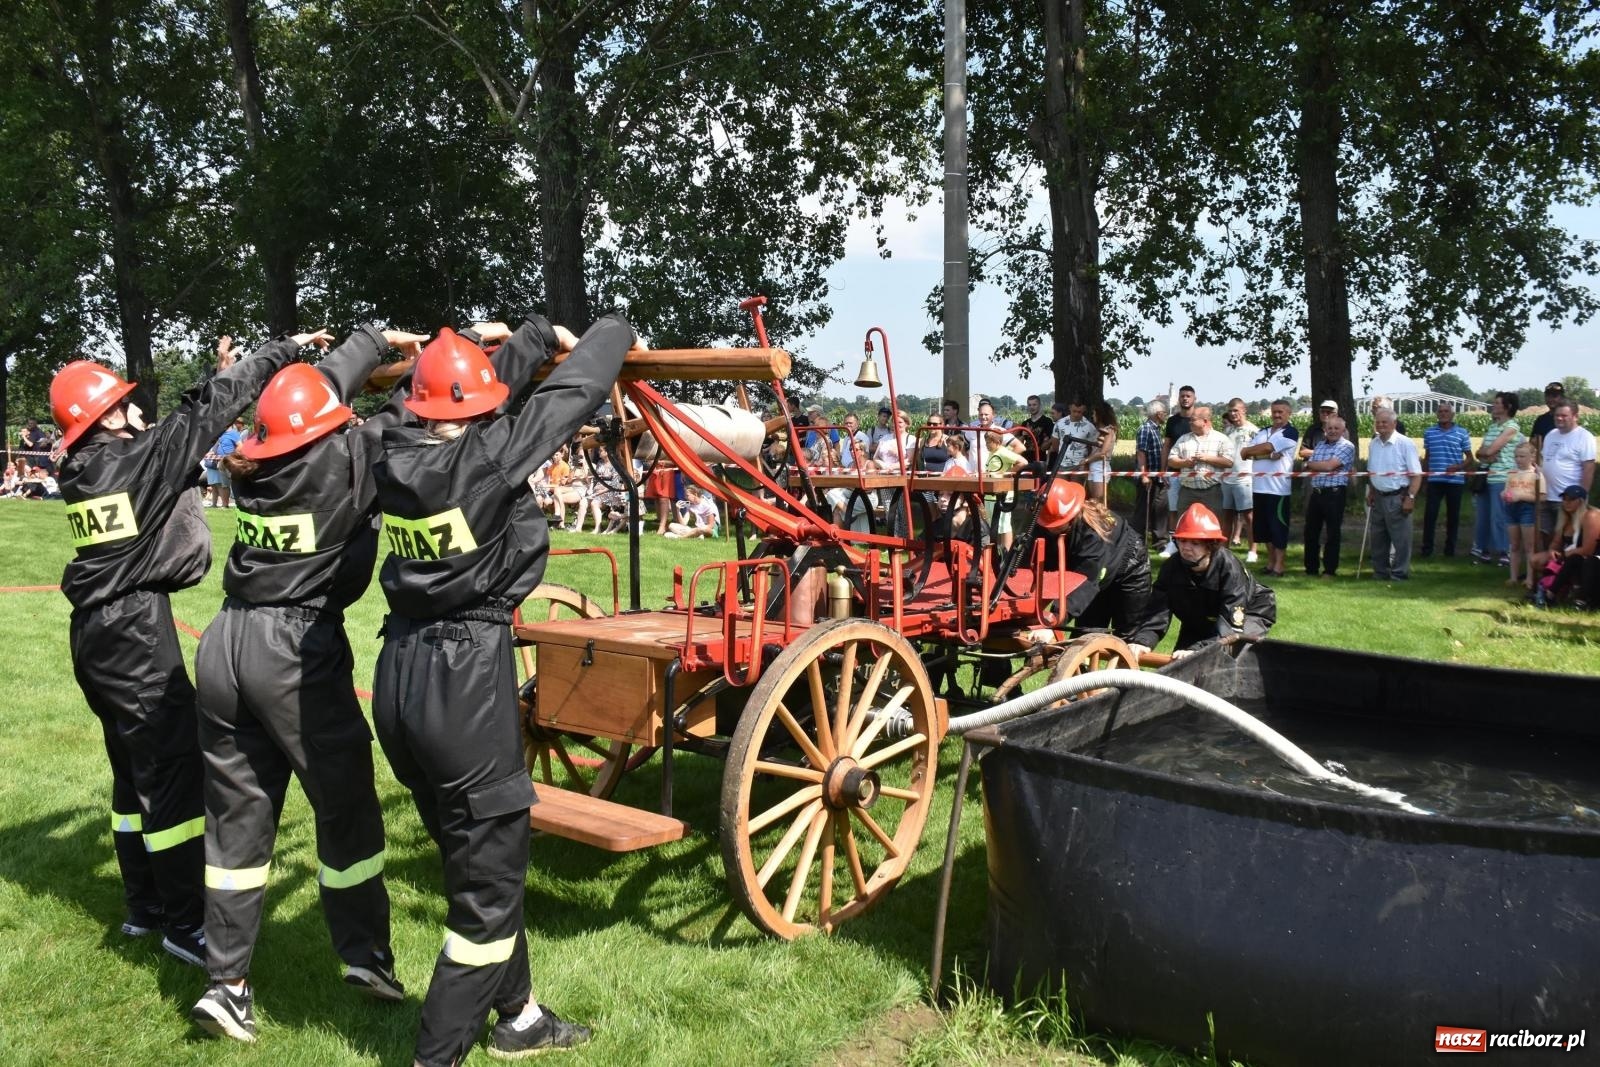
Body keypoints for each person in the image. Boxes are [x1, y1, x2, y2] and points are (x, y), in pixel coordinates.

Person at [370, 312, 632, 1065]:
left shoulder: (392, 447)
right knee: (487, 894)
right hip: (466, 679)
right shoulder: (487, 460)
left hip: (400, 675)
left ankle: (517, 1016)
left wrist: (521, 343)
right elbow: (574, 394)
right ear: (478, 415)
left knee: (471, 856)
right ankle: (436, 1056)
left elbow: (449, 396)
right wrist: (607, 328)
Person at [190, 326, 427, 1042]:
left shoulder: (264, 460)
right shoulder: (346, 459)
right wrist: (467, 346)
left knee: (236, 822)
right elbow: (426, 404)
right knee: (346, 804)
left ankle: (225, 984)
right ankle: (366, 958)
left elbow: (309, 394)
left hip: (224, 642)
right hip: (293, 650)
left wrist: (367, 341)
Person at [51, 334, 311, 970]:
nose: (136, 411)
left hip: (93, 632)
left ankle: (142, 907)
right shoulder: (131, 461)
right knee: (171, 775)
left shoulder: (81, 467)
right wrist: (282, 351)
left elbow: (183, 422)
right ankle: (184, 922)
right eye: (125, 404)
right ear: (107, 417)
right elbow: (208, 408)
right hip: (136, 633)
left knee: (129, 773)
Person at [1128, 503, 1276, 657]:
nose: (1186, 548)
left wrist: (1197, 650)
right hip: (1201, 614)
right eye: (1182, 541)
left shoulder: (1229, 568)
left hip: (1247, 613)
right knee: (1181, 666)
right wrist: (1143, 641)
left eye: (1195, 543)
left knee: (1229, 659)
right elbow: (1157, 611)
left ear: (1211, 545)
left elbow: (1230, 629)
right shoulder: (1171, 568)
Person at [1036, 479, 1151, 643]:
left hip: (1130, 570)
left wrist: (1053, 620)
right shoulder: (1043, 523)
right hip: (1096, 576)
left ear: (1071, 515)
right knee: (1085, 636)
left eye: (1056, 525)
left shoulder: (1093, 534)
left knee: (1127, 640)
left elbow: (1087, 579)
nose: (1050, 529)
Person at [1239, 401, 1299, 574]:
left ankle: (1280, 565)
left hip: (1278, 490)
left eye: (1280, 412)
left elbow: (1266, 446)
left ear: (1288, 413)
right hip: (1259, 488)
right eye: (1274, 412)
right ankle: (1270, 563)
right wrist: (1268, 455)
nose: (1277, 415)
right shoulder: (1262, 431)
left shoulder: (1290, 432)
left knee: (1278, 528)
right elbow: (1245, 452)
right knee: (1263, 530)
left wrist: (1259, 452)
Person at [1365, 408, 1424, 580]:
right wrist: (1372, 491)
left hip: (1398, 497)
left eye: (1384, 422)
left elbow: (1416, 474)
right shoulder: (1373, 443)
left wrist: (1410, 498)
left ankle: (1399, 574)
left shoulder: (1405, 443)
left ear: (1394, 424)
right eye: (1378, 422)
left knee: (1401, 540)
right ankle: (1380, 573)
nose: (1380, 425)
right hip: (1378, 497)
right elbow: (1372, 471)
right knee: (1378, 539)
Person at [1537, 397, 1596, 552]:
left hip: (1567, 499)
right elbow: (1545, 461)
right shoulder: (1551, 434)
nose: (1559, 418)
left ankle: (1564, 572)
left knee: (1565, 538)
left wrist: (1581, 497)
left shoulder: (1584, 437)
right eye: (1557, 415)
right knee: (1545, 535)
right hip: (1546, 495)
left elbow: (1588, 469)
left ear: (1575, 416)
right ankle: (1547, 572)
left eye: (1564, 415)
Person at [1473, 391, 1524, 564]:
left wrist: (1486, 453)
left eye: (1496, 403)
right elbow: (1480, 452)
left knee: (1499, 516)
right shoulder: (1493, 426)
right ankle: (1484, 550)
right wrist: (1485, 454)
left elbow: (1490, 450)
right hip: (1486, 476)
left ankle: (1504, 551)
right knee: (1484, 515)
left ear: (1507, 407)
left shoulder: (1511, 427)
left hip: (1501, 477)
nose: (1493, 406)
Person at [1302, 416, 1355, 578]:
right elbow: (1314, 466)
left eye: (1336, 428)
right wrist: (1317, 465)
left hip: (1334, 493)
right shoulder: (1319, 445)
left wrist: (1313, 464)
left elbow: (1328, 466)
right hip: (1317, 492)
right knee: (1310, 532)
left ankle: (1329, 570)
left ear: (1343, 430)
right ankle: (1311, 569)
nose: (1332, 431)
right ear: (1325, 430)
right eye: (1329, 428)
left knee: (1332, 533)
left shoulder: (1347, 446)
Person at [1420, 402, 1473, 557]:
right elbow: (1427, 457)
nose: (1443, 413)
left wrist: (1458, 467)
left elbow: (1470, 458)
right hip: (1435, 481)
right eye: (1440, 411)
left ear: (1452, 414)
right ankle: (1427, 549)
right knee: (1430, 515)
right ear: (1437, 414)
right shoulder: (1429, 433)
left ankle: (1450, 550)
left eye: (1446, 411)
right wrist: (1424, 478)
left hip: (1454, 481)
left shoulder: (1462, 433)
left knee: (1453, 516)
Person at [1536, 485, 1600, 608]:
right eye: (1564, 499)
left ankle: (1573, 597)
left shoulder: (1591, 516)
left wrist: (1564, 555)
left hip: (1589, 557)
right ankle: (1549, 594)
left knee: (1577, 559)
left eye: (1571, 499)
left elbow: (1588, 549)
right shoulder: (1565, 517)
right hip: (1575, 555)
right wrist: (1552, 550)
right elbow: (1556, 542)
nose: (1566, 502)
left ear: (1581, 501)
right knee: (1537, 560)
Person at [1168, 405, 1234, 519]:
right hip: (1187, 492)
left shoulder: (1222, 439)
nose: (1190, 423)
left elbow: (1228, 462)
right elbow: (1171, 460)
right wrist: (1184, 463)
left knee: (1211, 526)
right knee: (1185, 525)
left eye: (1193, 420)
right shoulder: (1183, 439)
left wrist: (1206, 458)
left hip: (1211, 492)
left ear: (1204, 421)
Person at [1158, 385, 1196, 555]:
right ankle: (1173, 543)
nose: (1185, 399)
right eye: (1182, 396)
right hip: (1174, 471)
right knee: (1173, 508)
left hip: (1194, 473)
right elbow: (1166, 446)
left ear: (1194, 398)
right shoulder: (1172, 421)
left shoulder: (1198, 419)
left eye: (1188, 396)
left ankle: (1193, 539)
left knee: (1191, 508)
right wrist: (1163, 470)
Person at [1501, 443, 1542, 589]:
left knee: (1529, 546)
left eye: (1522, 456)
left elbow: (1541, 497)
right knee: (1514, 545)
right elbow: (1506, 489)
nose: (1519, 459)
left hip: (1528, 510)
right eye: (1516, 456)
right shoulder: (1512, 473)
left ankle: (1530, 578)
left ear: (1532, 457)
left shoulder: (1536, 474)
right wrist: (1504, 495)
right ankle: (1513, 577)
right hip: (1511, 509)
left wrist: (1521, 496)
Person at [1218, 398, 1255, 547]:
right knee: (1227, 516)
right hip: (1227, 479)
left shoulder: (1253, 431)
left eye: (1236, 410)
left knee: (1249, 517)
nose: (1233, 414)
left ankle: (1253, 550)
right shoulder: (1227, 431)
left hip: (1244, 479)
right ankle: (1224, 549)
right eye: (1230, 411)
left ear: (1244, 410)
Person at [1132, 400, 1168, 547]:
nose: (1165, 415)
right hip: (1148, 476)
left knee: (1158, 508)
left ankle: (1159, 541)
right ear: (1158, 414)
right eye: (1164, 412)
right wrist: (1144, 474)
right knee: (1142, 510)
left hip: (1156, 476)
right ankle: (1137, 540)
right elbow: (1141, 453)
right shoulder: (1146, 429)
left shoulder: (1156, 429)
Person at [1053, 399, 1097, 483]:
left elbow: (1092, 448)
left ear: (1084, 409)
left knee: (1076, 492)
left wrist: (1086, 462)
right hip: (1061, 463)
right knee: (1061, 490)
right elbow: (1055, 444)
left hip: (1079, 465)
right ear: (1069, 408)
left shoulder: (1089, 427)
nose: (1076, 414)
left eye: (1079, 412)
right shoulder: (1060, 423)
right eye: (1074, 411)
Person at [1085, 400, 1118, 505]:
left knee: (1099, 502)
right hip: (1093, 465)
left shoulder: (1109, 430)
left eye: (1094, 413)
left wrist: (1086, 460)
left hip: (1100, 465)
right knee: (1092, 501)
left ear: (1100, 414)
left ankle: (1104, 521)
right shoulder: (1097, 430)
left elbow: (1103, 453)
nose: (1093, 416)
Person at [1529, 380, 1565, 457]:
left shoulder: (1567, 419)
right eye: (1548, 396)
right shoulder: (1541, 420)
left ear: (1562, 398)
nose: (1551, 399)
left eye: (1555, 396)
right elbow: (1532, 444)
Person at [1020, 394, 1055, 465]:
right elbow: (1019, 443)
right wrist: (1023, 435)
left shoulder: (1047, 421)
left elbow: (1051, 441)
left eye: (1034, 405)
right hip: (1025, 459)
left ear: (1039, 405)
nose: (1032, 407)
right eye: (1029, 405)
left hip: (1040, 459)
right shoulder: (1025, 423)